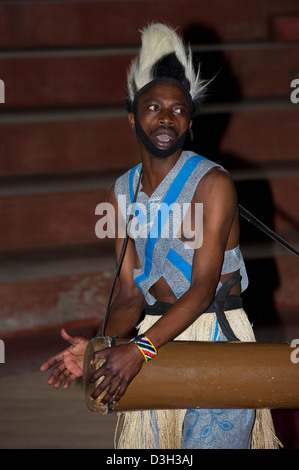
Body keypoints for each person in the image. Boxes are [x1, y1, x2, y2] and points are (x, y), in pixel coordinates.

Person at [41, 23, 280, 449]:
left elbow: (204, 289)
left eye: (178, 109)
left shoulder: (213, 183)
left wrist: (138, 351)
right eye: (153, 106)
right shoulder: (121, 191)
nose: (166, 117)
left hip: (213, 339)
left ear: (190, 120)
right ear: (133, 116)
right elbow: (130, 295)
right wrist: (101, 348)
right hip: (154, 339)